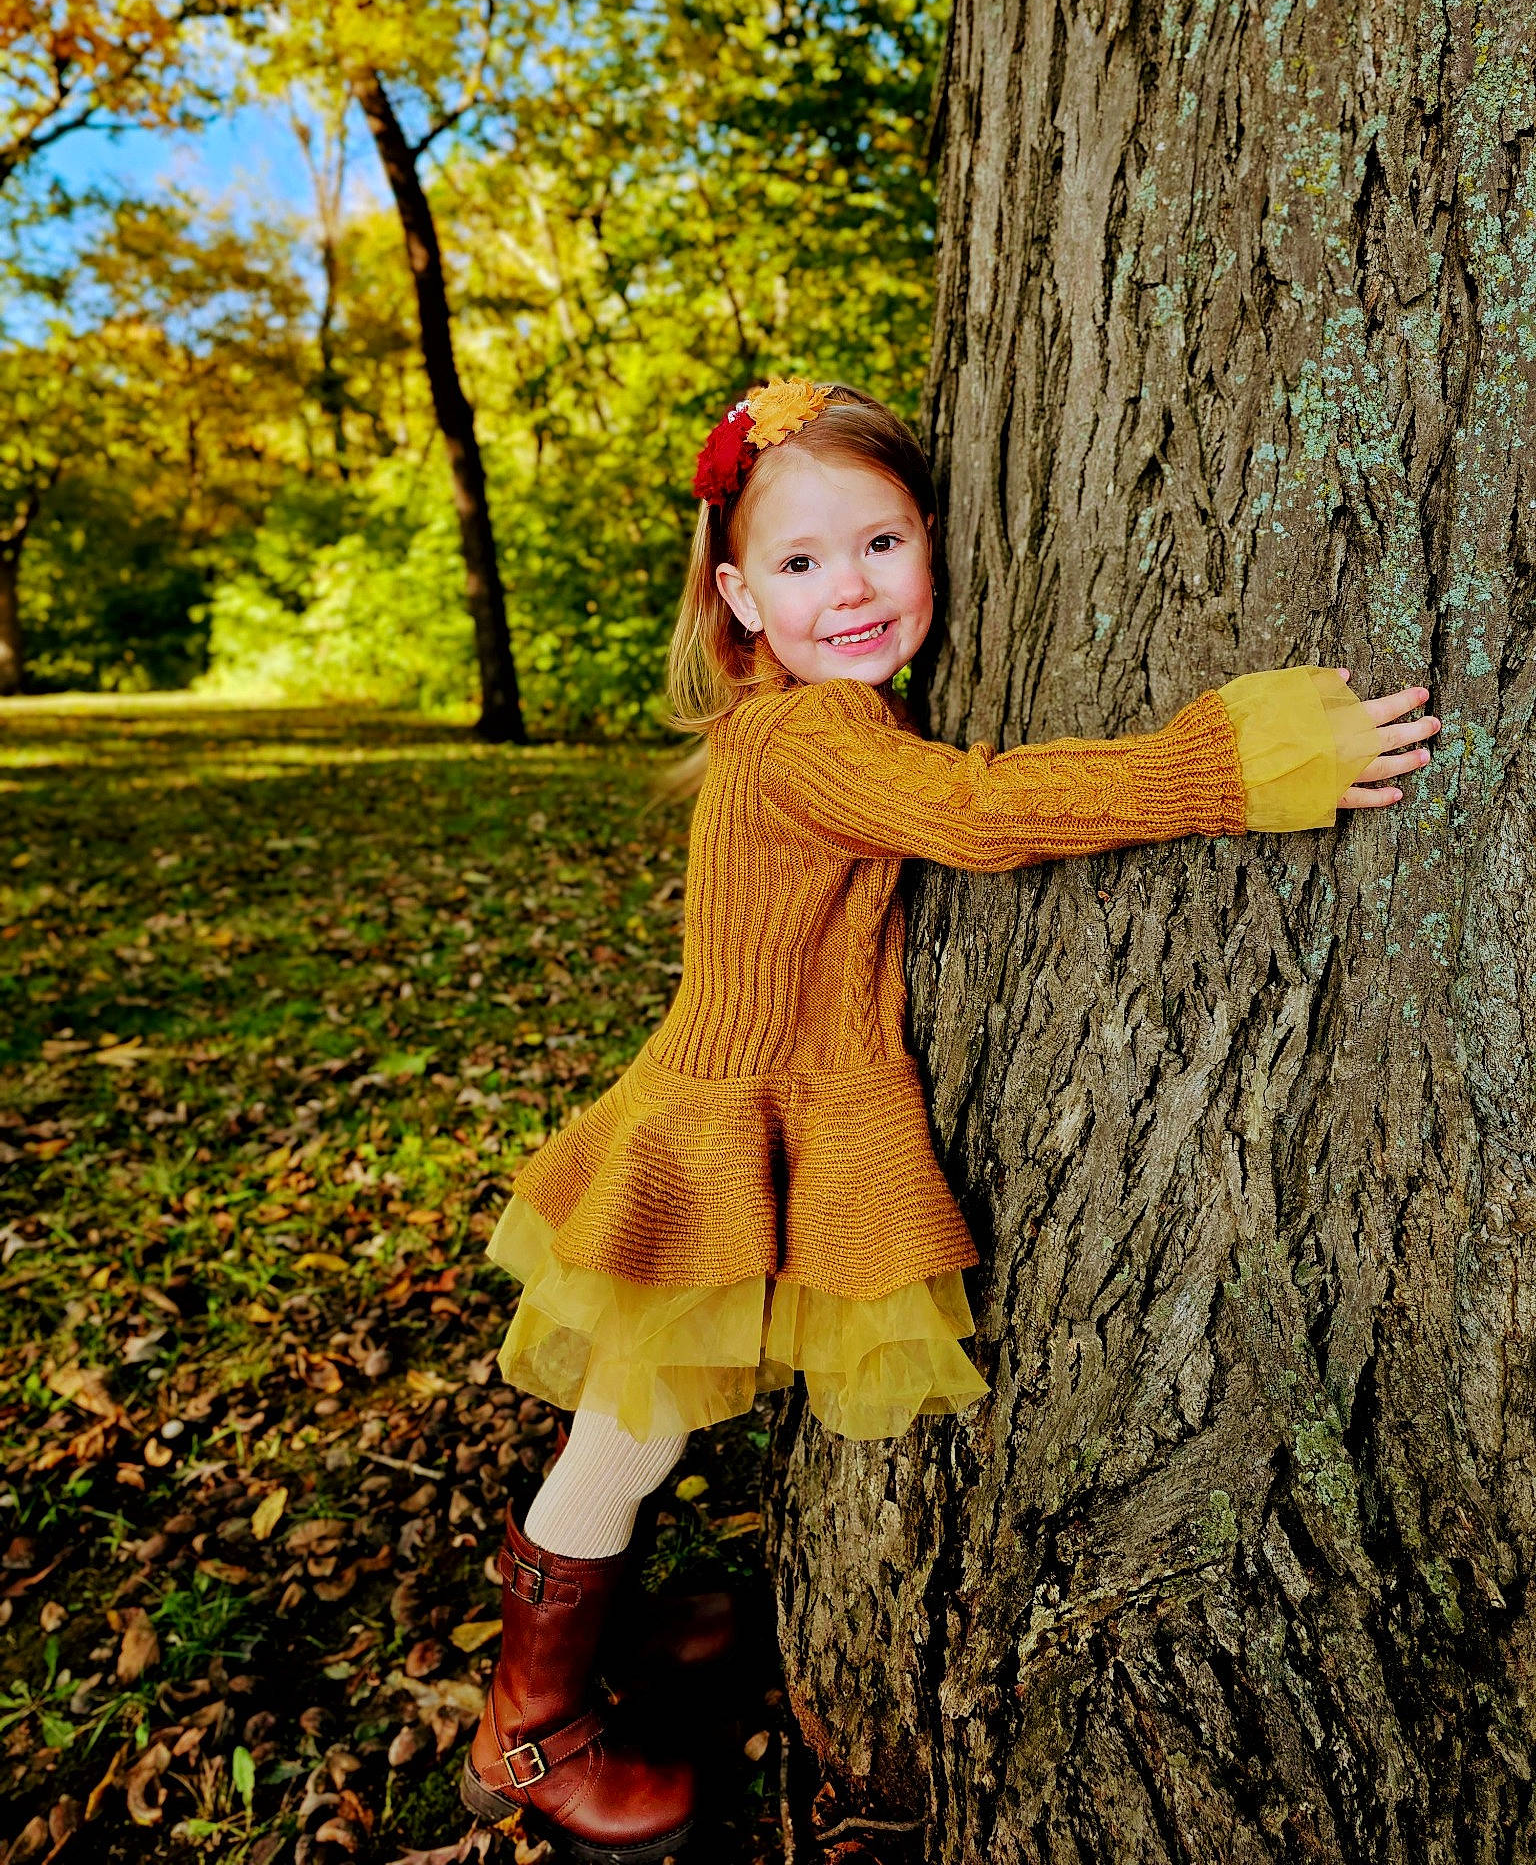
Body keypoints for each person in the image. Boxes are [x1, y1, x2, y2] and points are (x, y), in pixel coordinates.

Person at [460, 378, 1440, 1860]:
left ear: (934, 542)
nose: (848, 588)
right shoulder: (809, 742)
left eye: (881, 544)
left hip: (770, 1102)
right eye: (799, 564)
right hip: (724, 1123)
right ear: (736, 598)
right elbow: (981, 815)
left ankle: (590, 1650)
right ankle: (525, 1729)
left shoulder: (819, 713)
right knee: (633, 1422)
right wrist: (1218, 770)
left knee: (649, 1412)